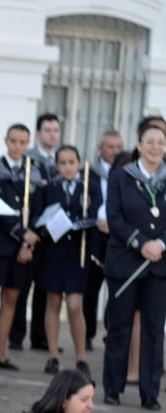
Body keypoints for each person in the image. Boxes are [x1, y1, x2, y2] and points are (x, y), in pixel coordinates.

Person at [101, 120, 166, 410]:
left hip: (159, 268)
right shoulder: (121, 177)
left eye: (161, 143)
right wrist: (141, 242)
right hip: (125, 264)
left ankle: (149, 393)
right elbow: (114, 218)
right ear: (139, 145)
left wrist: (161, 244)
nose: (156, 147)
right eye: (150, 142)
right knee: (120, 327)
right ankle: (112, 389)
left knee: (154, 330)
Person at [0, 123, 44, 371]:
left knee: (12, 299)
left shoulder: (34, 170)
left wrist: (27, 240)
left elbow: (38, 209)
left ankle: (1, 354)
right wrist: (21, 232)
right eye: (13, 141)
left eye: (23, 142)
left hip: (22, 248)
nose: (17, 146)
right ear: (6, 141)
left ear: (28, 144)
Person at [39, 145, 101, 378]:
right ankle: (53, 355)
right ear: (57, 166)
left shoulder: (91, 187)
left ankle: (81, 357)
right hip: (54, 252)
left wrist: (77, 222)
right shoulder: (50, 188)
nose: (67, 167)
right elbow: (41, 214)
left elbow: (95, 214)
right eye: (62, 163)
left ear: (79, 163)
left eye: (71, 162)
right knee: (53, 302)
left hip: (78, 253)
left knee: (75, 306)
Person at [12, 113, 63, 353]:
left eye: (56, 130)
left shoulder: (62, 161)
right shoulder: (29, 160)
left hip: (51, 234)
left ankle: (40, 337)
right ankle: (16, 334)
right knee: (21, 286)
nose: (52, 134)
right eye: (48, 130)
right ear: (39, 133)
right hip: (29, 231)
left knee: (45, 287)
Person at [85, 130, 124, 350]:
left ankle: (113, 330)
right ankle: (88, 332)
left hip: (119, 238)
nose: (115, 151)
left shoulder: (128, 173)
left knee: (118, 288)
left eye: (119, 147)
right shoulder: (89, 173)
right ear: (100, 148)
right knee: (90, 288)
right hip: (95, 237)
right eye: (110, 147)